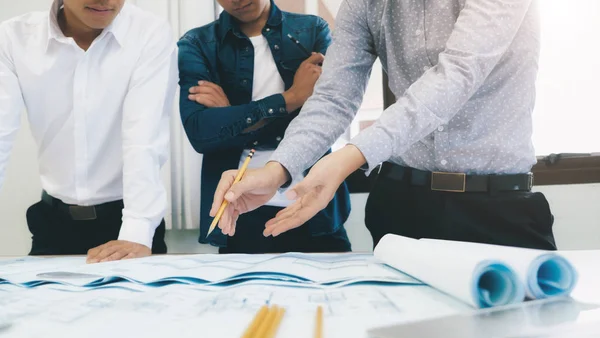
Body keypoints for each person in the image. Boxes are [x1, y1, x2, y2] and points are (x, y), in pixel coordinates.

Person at [210, 0, 557, 251]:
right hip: (403, 208)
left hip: (500, 207)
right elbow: (333, 99)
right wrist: (276, 170)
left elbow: (456, 76)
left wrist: (352, 155)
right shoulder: (364, 4)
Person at [0, 0, 177, 262]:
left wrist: (137, 231)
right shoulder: (14, 38)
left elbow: (144, 137)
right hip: (53, 225)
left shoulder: (149, 33)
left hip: (128, 222)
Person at [177, 0, 352, 254]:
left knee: (332, 291)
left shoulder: (312, 30)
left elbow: (329, 117)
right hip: (239, 208)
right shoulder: (198, 42)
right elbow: (200, 134)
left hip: (314, 204)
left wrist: (232, 117)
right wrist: (292, 98)